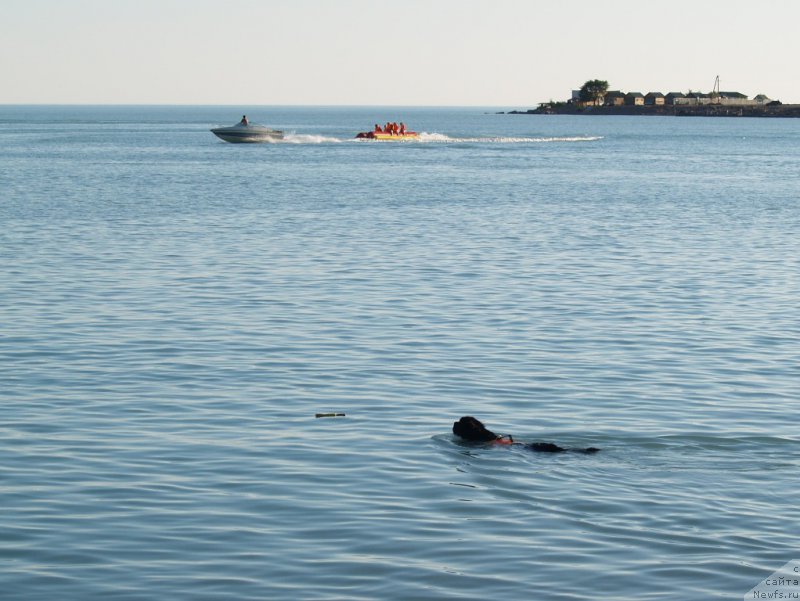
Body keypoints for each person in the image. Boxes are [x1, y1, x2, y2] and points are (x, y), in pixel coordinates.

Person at [452, 416, 599, 453]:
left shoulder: (476, 444)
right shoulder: (491, 437)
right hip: (525, 446)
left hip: (525, 449)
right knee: (563, 451)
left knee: (561, 452)